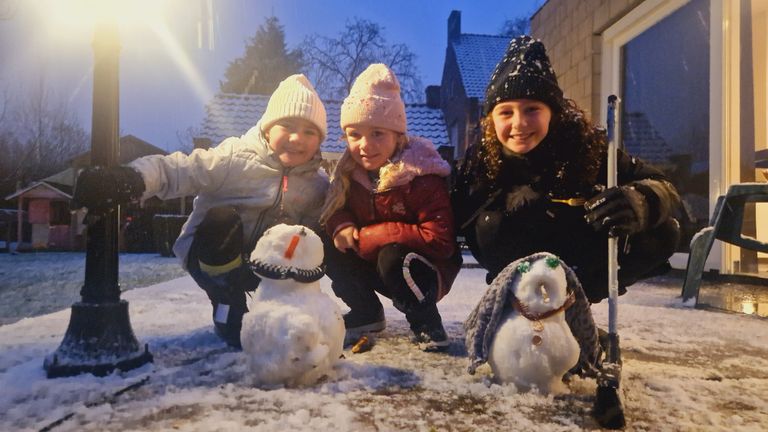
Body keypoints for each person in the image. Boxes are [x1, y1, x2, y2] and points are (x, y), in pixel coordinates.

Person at [73, 74, 329, 349]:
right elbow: (180, 168)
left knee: (299, 235)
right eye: (287, 126)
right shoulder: (235, 158)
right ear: (267, 129)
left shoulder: (317, 183)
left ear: (320, 140)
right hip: (213, 254)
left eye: (309, 131)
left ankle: (280, 312)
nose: (296, 138)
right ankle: (226, 307)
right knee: (222, 221)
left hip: (264, 265)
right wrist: (135, 178)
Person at [452, 36, 682, 305]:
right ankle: (516, 304)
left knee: (665, 231)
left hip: (578, 270)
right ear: (491, 118)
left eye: (532, 109)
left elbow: (664, 186)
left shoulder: (587, 148)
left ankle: (573, 306)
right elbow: (446, 216)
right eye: (506, 112)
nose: (519, 123)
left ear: (553, 111)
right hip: (513, 272)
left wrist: (638, 201)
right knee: (492, 221)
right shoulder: (478, 161)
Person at [320, 63, 462, 352]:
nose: (364, 145)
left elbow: (441, 240)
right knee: (323, 239)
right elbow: (335, 210)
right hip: (374, 262)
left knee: (392, 256)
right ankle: (366, 311)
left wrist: (379, 235)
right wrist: (342, 225)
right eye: (354, 134)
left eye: (377, 134)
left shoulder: (419, 175)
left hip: (422, 272)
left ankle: (427, 323)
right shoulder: (349, 174)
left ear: (398, 136)